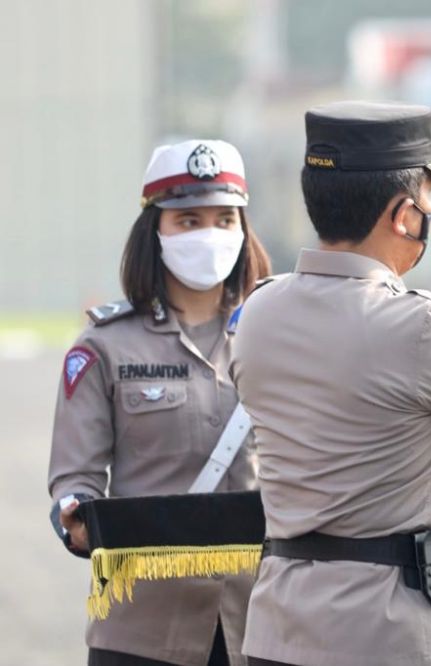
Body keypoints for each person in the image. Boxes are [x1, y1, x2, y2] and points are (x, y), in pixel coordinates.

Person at [231, 101, 431, 666]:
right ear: (404, 216)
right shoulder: (424, 328)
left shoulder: (260, 311)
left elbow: (357, 355)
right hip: (394, 635)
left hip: (281, 628)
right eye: (427, 204)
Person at [47, 139, 272, 666]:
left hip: (263, 622)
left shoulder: (277, 335)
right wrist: (74, 514)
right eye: (188, 221)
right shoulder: (104, 346)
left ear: (243, 229)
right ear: (156, 230)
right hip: (142, 630)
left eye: (224, 219)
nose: (209, 235)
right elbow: (75, 475)